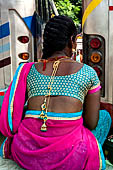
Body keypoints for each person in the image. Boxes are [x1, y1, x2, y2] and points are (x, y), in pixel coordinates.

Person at [0, 15, 111, 170]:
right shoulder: (88, 73)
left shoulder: (27, 70)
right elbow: (91, 123)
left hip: (26, 153)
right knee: (104, 117)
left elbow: (11, 117)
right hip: (70, 156)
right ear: (72, 40)